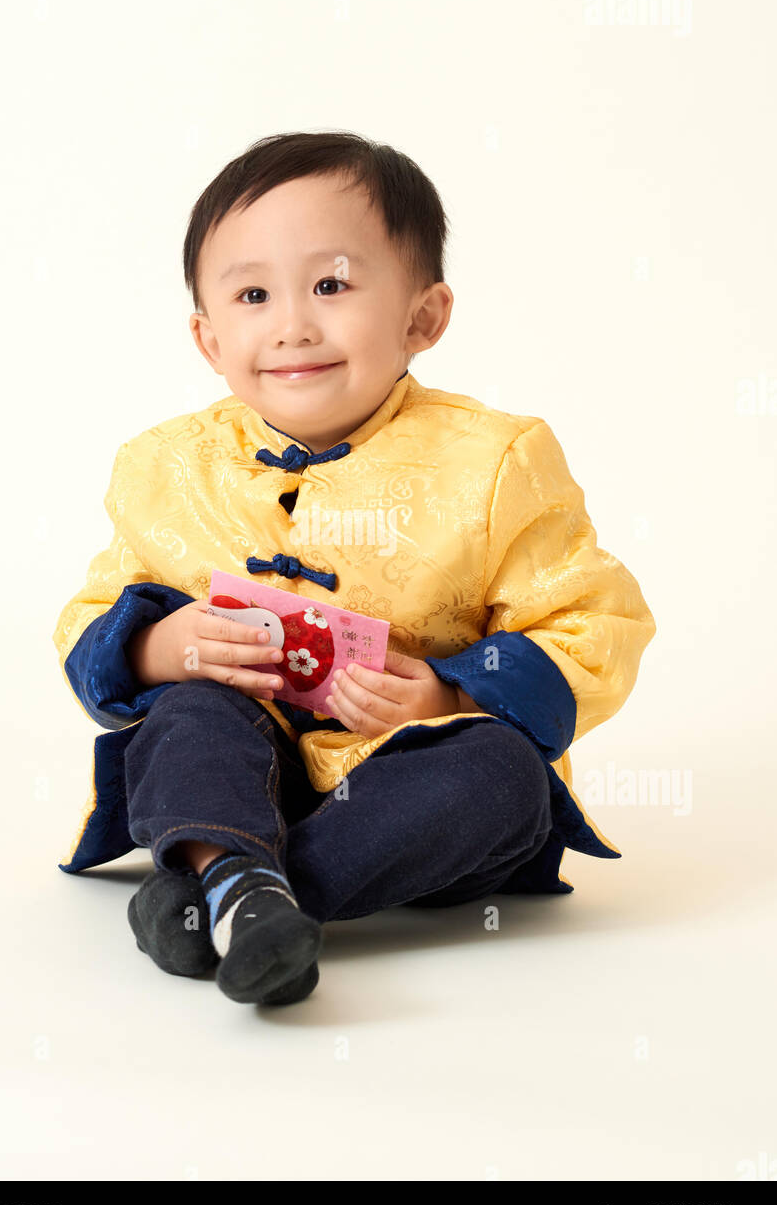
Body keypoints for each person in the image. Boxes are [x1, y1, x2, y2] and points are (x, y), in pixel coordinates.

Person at [52, 130, 656, 1008]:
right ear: (208, 338)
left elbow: (595, 622)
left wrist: (450, 695)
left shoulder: (494, 461)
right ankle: (240, 881)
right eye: (252, 294)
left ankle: (231, 891)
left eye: (331, 285)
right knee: (186, 716)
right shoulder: (165, 466)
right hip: (240, 759)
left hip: (404, 781)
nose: (293, 324)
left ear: (422, 317)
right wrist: (158, 648)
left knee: (501, 774)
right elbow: (92, 613)